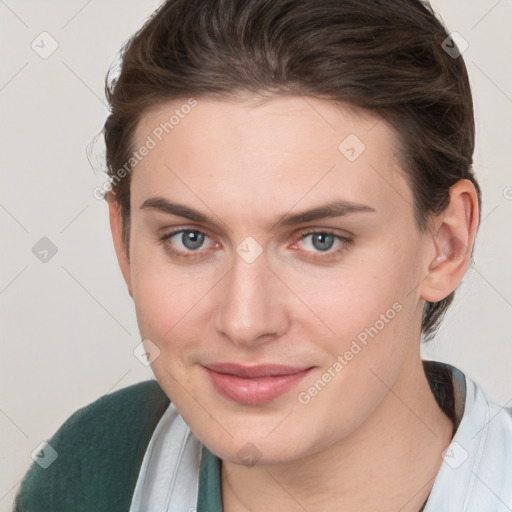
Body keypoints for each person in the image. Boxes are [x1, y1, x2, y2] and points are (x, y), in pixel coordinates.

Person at [14, 0, 512, 511]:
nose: (245, 322)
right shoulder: (91, 470)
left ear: (446, 245)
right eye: (189, 238)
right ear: (125, 243)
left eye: (321, 240)